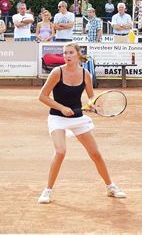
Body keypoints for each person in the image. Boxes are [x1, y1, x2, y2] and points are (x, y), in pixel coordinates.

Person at [37, 42, 126, 204]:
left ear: (78, 54)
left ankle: (110, 187)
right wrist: (62, 108)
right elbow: (42, 96)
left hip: (78, 118)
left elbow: (91, 97)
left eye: (71, 53)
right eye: (65, 53)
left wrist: (92, 104)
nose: (67, 56)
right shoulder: (57, 72)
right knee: (61, 152)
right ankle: (47, 191)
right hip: (57, 118)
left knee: (95, 154)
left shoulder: (86, 74)